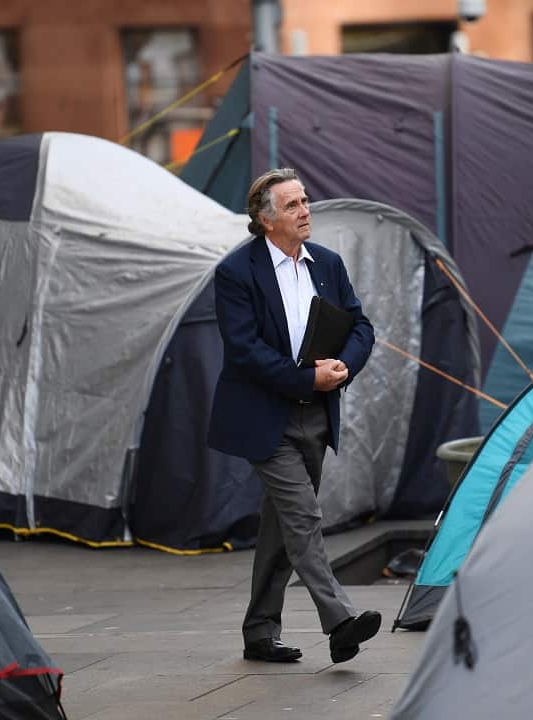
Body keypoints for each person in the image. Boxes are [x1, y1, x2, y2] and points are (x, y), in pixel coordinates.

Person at [208, 168, 381, 664]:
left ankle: (259, 631)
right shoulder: (236, 273)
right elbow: (243, 351)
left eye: (305, 202)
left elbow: (360, 325)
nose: (305, 211)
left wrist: (346, 365)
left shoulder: (327, 263)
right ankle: (340, 620)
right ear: (265, 220)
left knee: (281, 525)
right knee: (303, 516)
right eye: (292, 206)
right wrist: (306, 379)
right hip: (267, 418)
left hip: (317, 415)